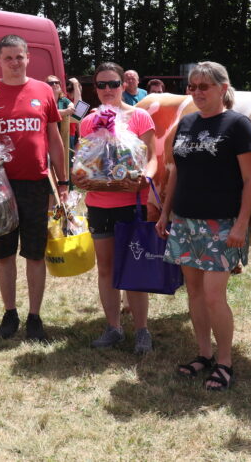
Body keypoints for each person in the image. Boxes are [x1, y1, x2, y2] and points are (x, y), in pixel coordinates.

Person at [156, 62, 251, 391]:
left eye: (204, 86)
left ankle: (225, 362)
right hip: (185, 222)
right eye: (193, 86)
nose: (197, 92)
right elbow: (175, 173)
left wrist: (242, 224)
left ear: (222, 87)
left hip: (221, 225)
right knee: (196, 294)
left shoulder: (238, 124)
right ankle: (203, 354)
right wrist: (164, 213)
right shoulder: (186, 123)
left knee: (215, 296)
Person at [0, 35, 69, 343]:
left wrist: (63, 182)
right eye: (8, 58)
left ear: (28, 57)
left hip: (36, 184)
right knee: (4, 253)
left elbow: (55, 141)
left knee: (35, 253)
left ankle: (34, 316)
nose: (15, 63)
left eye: (20, 57)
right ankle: (10, 313)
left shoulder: (43, 90)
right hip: (0, 188)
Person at [74, 63, 158, 353]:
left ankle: (142, 330)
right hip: (99, 205)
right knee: (106, 268)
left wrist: (145, 177)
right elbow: (83, 162)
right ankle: (113, 327)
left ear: (124, 84)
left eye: (113, 83)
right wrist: (80, 177)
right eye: (101, 85)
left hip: (132, 203)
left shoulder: (140, 116)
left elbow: (153, 156)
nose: (107, 90)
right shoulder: (88, 120)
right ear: (94, 89)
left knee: (134, 267)